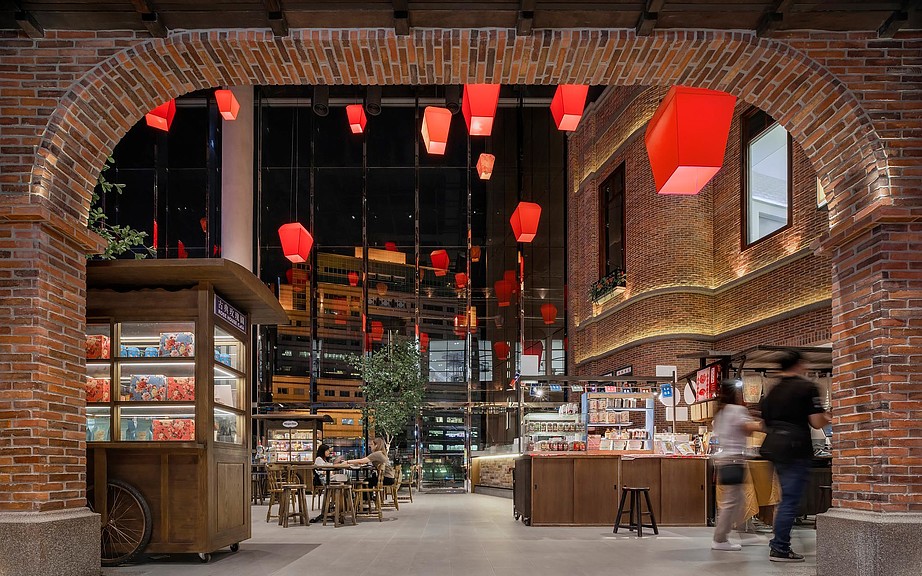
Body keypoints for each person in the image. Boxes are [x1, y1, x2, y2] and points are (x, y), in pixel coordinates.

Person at [759, 350, 831, 563]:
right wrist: (830, 416)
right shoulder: (807, 388)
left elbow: (764, 424)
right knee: (790, 499)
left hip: (775, 448)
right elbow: (817, 422)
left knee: (785, 499)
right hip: (796, 448)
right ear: (799, 365)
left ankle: (779, 543)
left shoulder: (771, 392)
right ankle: (780, 547)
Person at [712, 380, 762, 551]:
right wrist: (763, 422)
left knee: (738, 499)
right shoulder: (737, 410)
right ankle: (720, 539)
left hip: (725, 460)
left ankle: (745, 534)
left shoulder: (720, 412)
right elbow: (748, 428)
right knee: (732, 501)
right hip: (734, 459)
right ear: (736, 393)